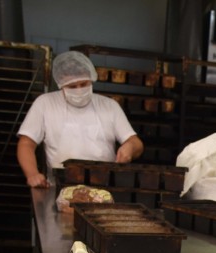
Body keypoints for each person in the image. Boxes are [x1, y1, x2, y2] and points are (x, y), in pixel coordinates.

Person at [17, 50, 144, 188]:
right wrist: (32, 174)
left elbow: (136, 143)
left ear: (91, 79)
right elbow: (26, 144)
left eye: (84, 84)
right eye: (72, 86)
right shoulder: (45, 104)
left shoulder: (109, 106)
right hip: (60, 188)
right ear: (61, 84)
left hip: (104, 189)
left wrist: (130, 147)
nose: (79, 90)